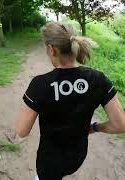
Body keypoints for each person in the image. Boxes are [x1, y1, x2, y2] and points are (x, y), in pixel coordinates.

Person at [16, 22, 125, 180]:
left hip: (50, 162)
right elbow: (120, 124)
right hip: (77, 157)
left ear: (52, 49)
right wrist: (95, 127)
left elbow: (22, 131)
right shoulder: (98, 79)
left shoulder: (40, 84)